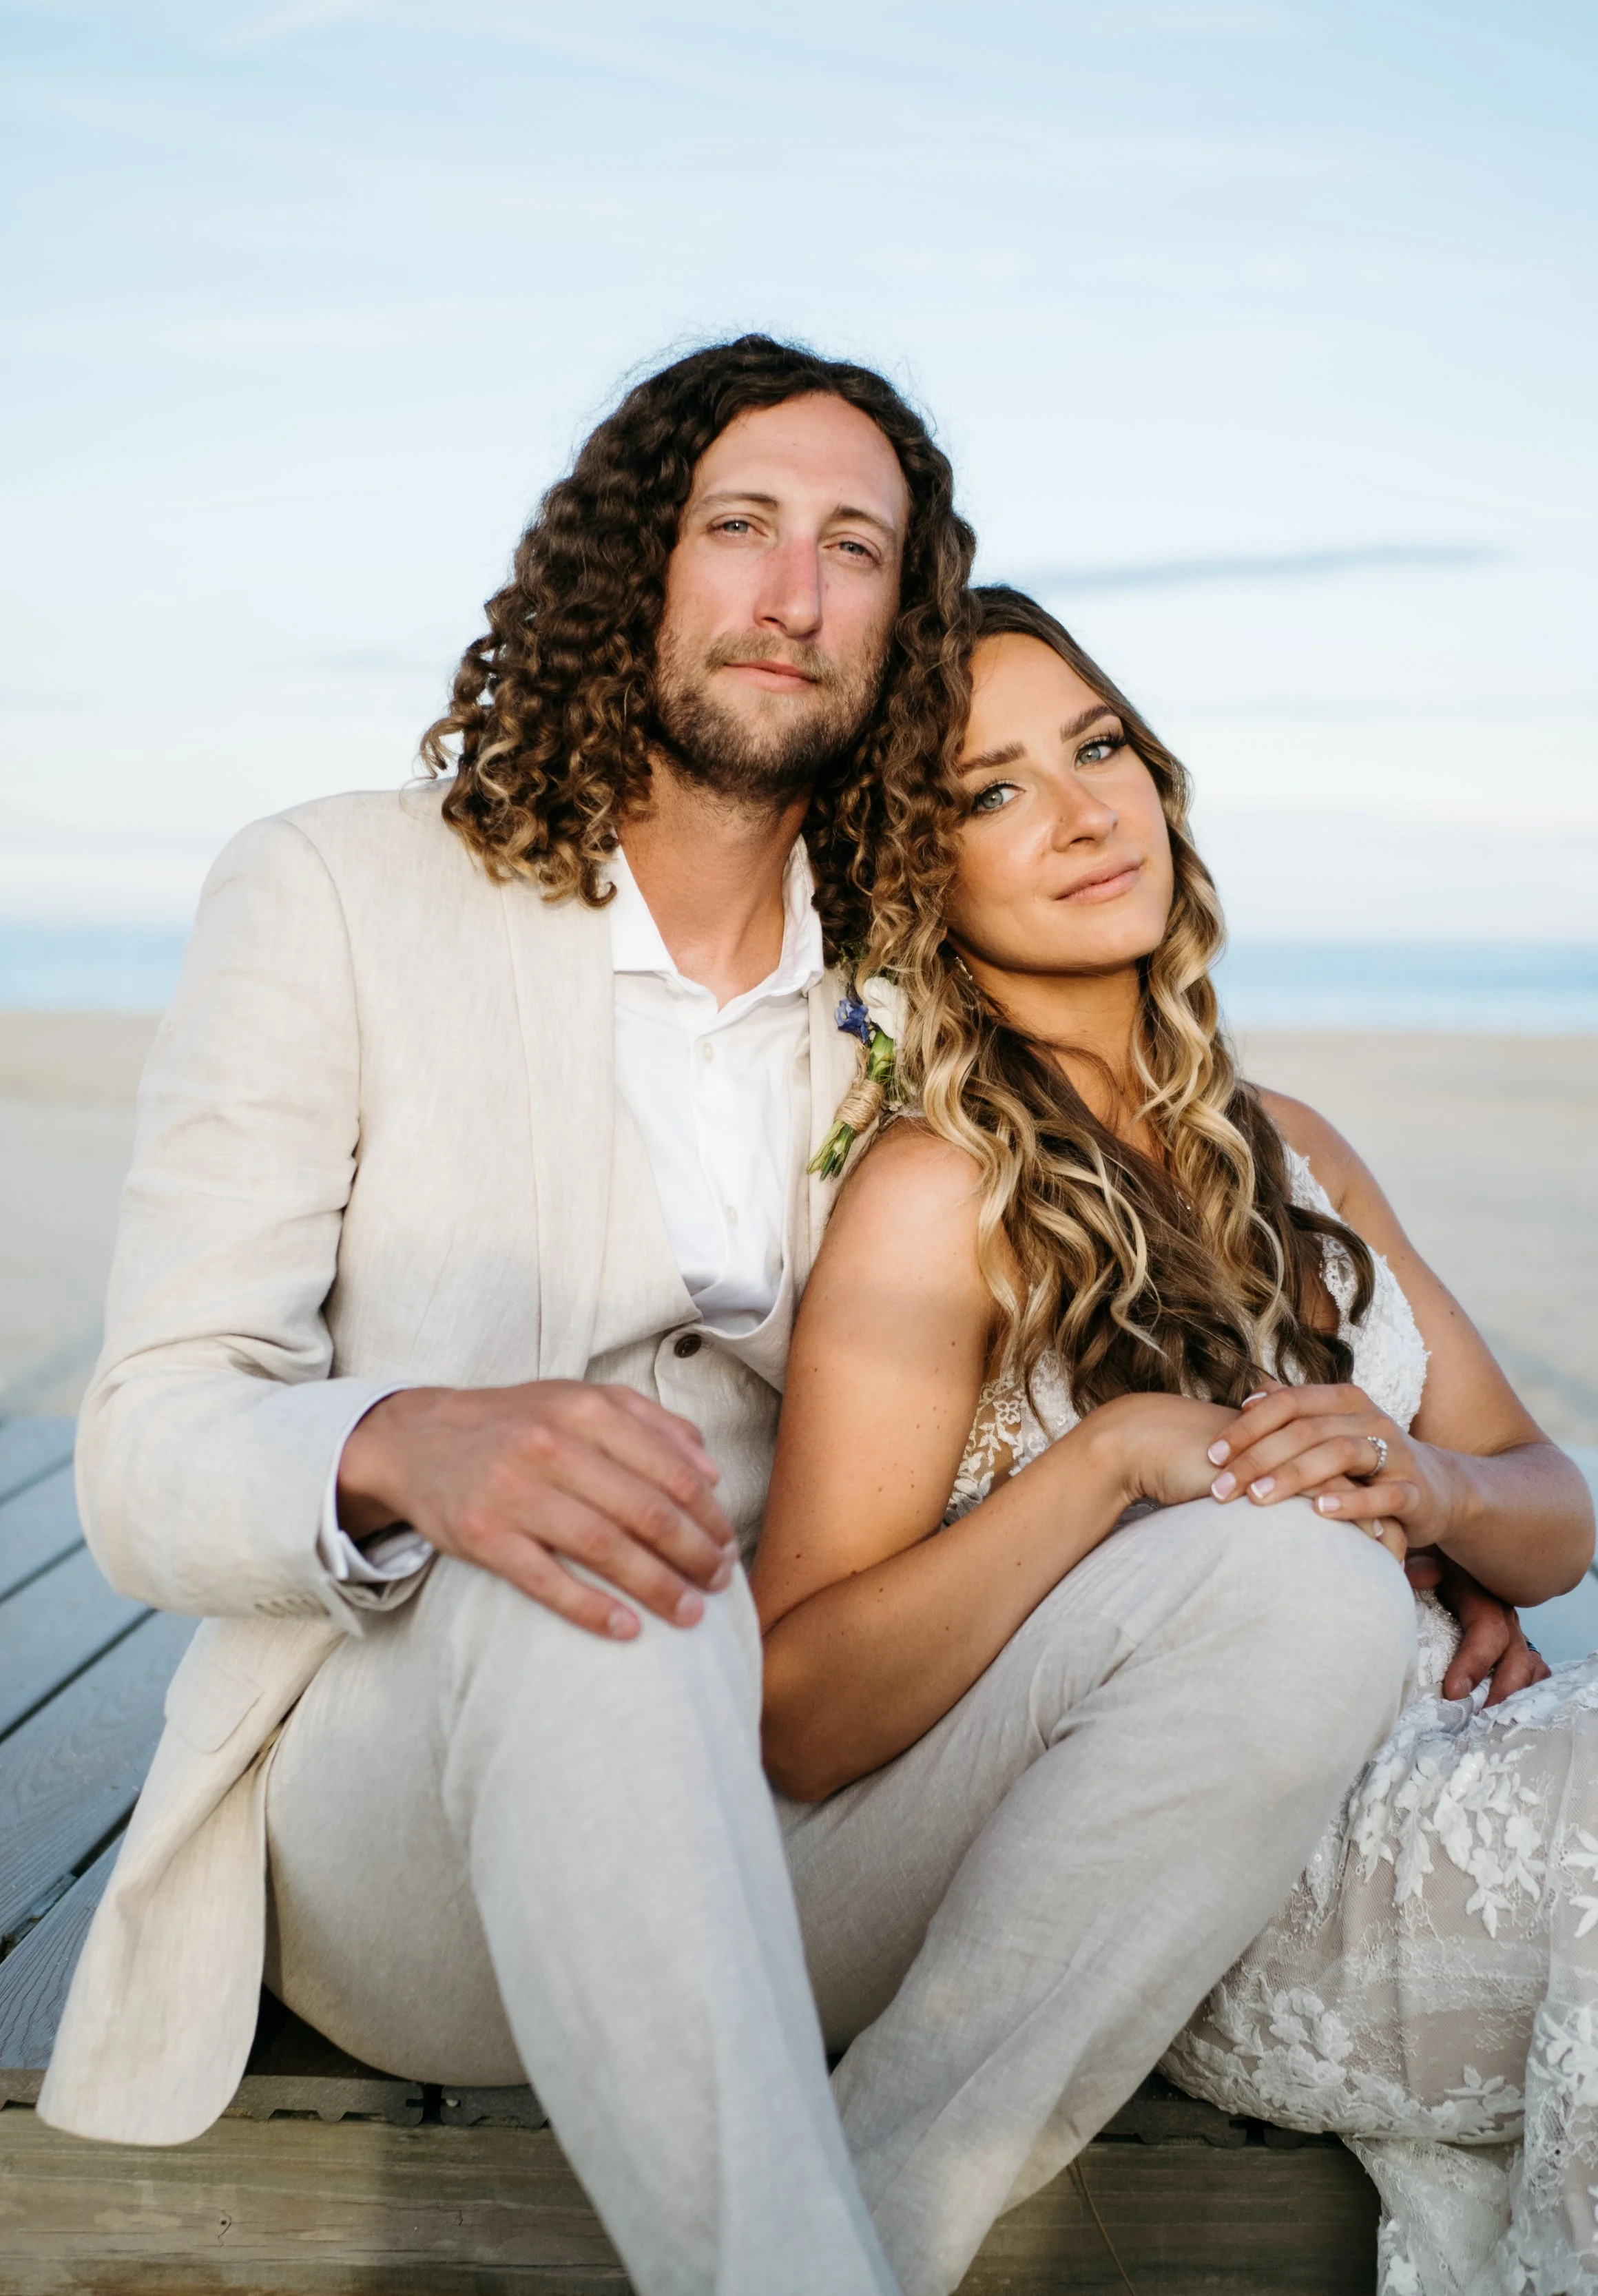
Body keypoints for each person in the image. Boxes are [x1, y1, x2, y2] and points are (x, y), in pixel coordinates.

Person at [42, 333, 979, 2296]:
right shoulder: (333, 893)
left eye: (854, 550)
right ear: (633, 562)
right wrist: (409, 1443)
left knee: (1274, 1595)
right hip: (412, 1828)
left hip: (797, 1793)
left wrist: (1414, 1529)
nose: (791, 594)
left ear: (901, 627)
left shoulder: (914, 987)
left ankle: (888, 2221)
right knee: (595, 1568)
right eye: (739, 526)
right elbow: (146, 1446)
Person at [754, 588, 1598, 2296]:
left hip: (1451, 1771)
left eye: (1098, 744)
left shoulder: (1294, 1146)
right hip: (1235, 1883)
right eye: (992, 790)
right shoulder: (932, 1196)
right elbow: (802, 1709)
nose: (1080, 810)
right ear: (914, 872)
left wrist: (1428, 1487)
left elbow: (1550, 1511)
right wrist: (1111, 1457)